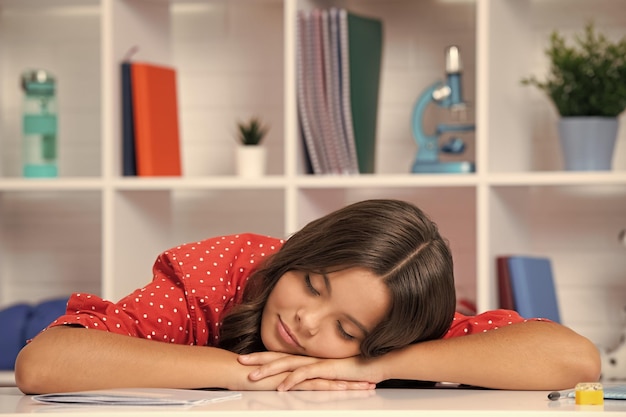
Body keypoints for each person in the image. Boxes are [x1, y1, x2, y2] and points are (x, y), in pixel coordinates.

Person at [15, 199, 600, 394]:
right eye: (312, 284)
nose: (306, 319)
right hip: (39, 321)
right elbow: (44, 362)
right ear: (297, 251)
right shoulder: (228, 271)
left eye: (347, 331)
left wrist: (372, 366)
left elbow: (576, 360)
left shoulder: (400, 322)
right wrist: (261, 372)